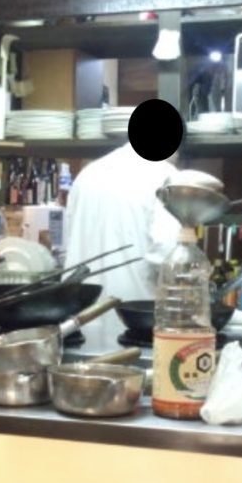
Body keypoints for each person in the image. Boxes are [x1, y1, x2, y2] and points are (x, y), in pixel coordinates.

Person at [63, 143, 182, 348]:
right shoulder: (165, 175)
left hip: (80, 321)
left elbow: (69, 241)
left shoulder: (88, 174)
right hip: (135, 325)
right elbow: (169, 254)